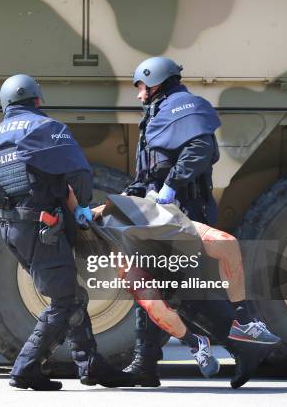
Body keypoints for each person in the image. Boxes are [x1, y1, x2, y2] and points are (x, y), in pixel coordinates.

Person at [0, 74, 137, 390]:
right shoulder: (45, 127)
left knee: (72, 295)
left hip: (10, 229)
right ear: (37, 100)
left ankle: (91, 365)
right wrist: (79, 209)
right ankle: (25, 368)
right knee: (64, 299)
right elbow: (78, 173)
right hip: (43, 228)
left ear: (5, 103)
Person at [87, 193, 281, 388]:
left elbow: (190, 162)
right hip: (145, 215)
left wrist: (169, 186)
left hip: (173, 209)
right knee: (163, 297)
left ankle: (240, 339)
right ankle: (148, 362)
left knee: (188, 291)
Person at [123, 56, 222, 386]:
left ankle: (240, 349)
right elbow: (145, 174)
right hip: (162, 216)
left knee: (187, 293)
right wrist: (120, 203)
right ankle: (145, 365)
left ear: (157, 82)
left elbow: (201, 148)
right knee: (149, 287)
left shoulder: (185, 106)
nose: (138, 96)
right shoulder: (155, 115)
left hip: (188, 212)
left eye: (141, 87)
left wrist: (171, 185)